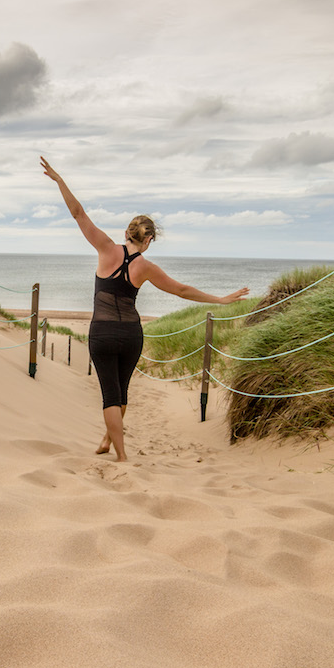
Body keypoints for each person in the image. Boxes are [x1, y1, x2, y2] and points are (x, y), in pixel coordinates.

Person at [41, 157, 249, 462]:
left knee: (110, 396)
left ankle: (121, 455)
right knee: (122, 392)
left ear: (127, 233)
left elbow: (78, 213)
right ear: (149, 239)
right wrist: (220, 299)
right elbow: (181, 290)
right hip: (131, 335)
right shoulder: (146, 267)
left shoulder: (106, 248)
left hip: (102, 332)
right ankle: (106, 441)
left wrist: (60, 180)